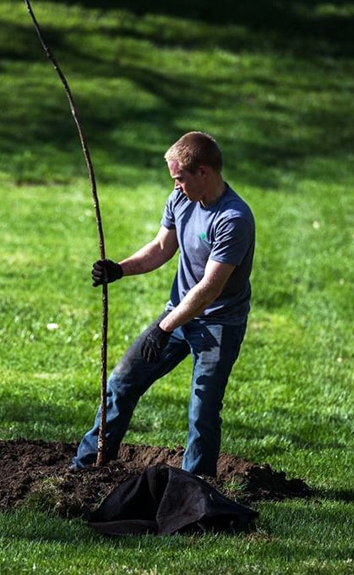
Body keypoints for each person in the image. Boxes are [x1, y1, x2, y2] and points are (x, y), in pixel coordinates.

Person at [72, 131, 255, 477]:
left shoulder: (234, 219)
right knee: (122, 382)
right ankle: (84, 469)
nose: (175, 186)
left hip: (218, 324)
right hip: (177, 316)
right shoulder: (182, 200)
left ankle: (194, 485)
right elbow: (160, 248)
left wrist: (163, 327)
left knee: (202, 410)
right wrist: (119, 269)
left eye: (179, 178)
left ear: (203, 172)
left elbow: (209, 289)